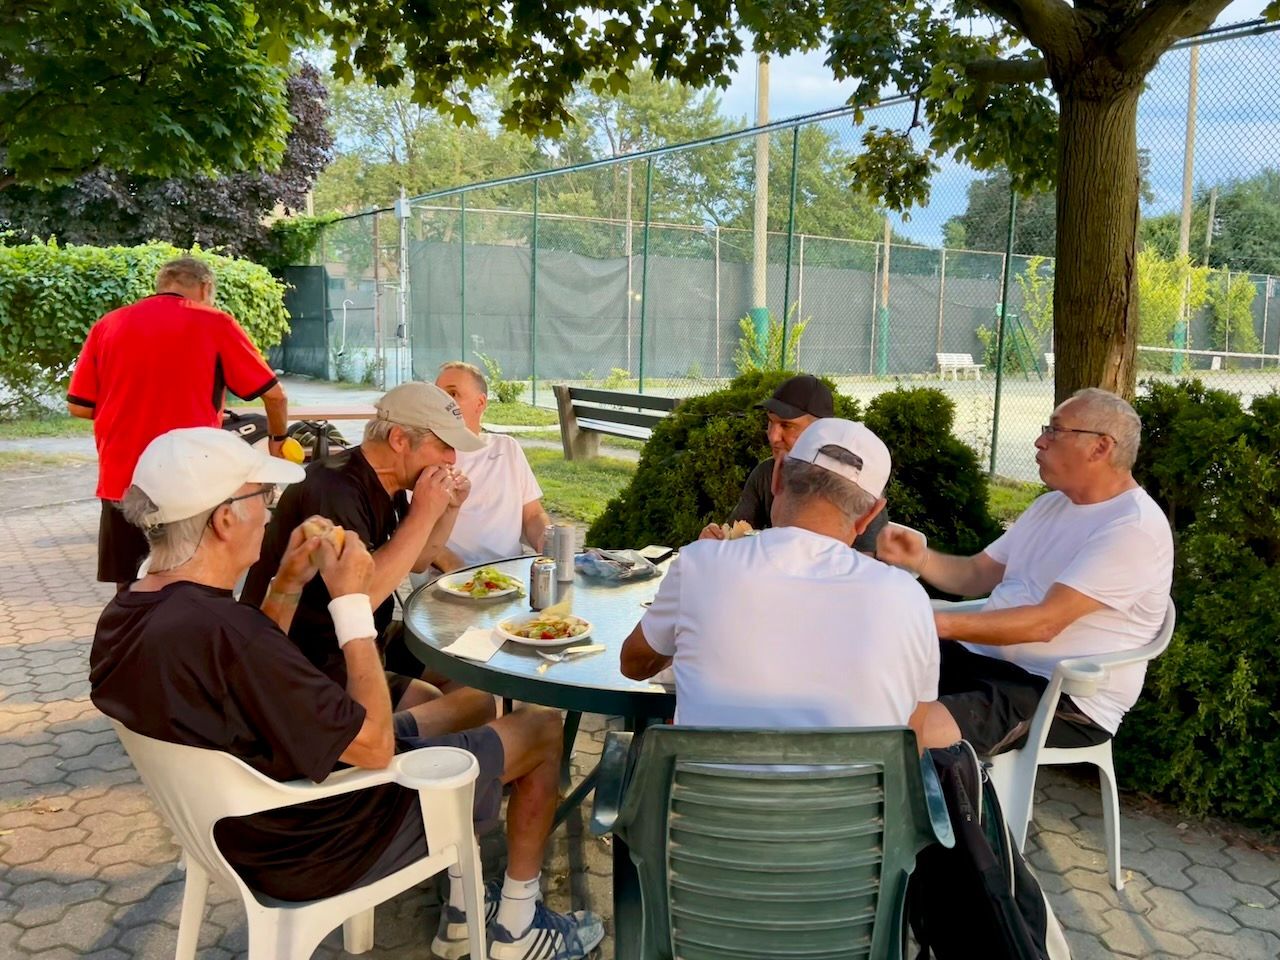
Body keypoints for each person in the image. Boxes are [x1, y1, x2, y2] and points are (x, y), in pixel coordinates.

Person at [90, 427, 604, 960]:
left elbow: (252, 669)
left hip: (238, 815)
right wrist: (352, 604)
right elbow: (376, 747)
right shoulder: (225, 634)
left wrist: (287, 583)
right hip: (316, 838)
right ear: (224, 520)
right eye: (261, 500)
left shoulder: (131, 615)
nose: (269, 515)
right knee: (541, 728)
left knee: (472, 703)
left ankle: (460, 907)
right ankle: (517, 928)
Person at [879, 388, 1174, 757]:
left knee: (906, 731)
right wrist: (919, 559)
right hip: (986, 662)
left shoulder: (1133, 528)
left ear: (1100, 447)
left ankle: (924, 808)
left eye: (1055, 431)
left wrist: (927, 622)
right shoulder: (1051, 505)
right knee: (870, 670)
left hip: (1059, 693)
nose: (1039, 441)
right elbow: (975, 575)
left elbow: (1043, 625)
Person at [622, 418, 938, 731]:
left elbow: (633, 665)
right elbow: (914, 739)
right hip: (856, 784)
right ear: (871, 515)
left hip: (699, 782)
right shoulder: (909, 599)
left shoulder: (699, 565)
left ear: (777, 476)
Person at [241, 382, 492, 732]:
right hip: (309, 660)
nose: (452, 459)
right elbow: (359, 599)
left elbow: (416, 560)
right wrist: (422, 513)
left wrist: (448, 509)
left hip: (359, 637)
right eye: (444, 446)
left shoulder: (386, 480)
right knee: (468, 706)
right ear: (400, 440)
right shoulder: (334, 488)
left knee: (473, 670)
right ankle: (375, 751)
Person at [66, 256, 289, 587]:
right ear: (205, 287)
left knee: (130, 585)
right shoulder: (216, 323)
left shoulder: (108, 325)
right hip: (191, 481)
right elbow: (274, 396)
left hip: (124, 480)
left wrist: (130, 407)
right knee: (197, 580)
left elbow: (80, 407)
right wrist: (278, 441)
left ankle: (128, 635)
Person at [698, 374, 887, 554]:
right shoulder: (765, 472)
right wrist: (715, 541)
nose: (772, 436)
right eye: (770, 422)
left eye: (787, 426)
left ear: (820, 430)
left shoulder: (857, 486)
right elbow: (735, 535)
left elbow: (864, 563)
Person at [433, 361, 550, 570]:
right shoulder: (425, 456)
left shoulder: (507, 448)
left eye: (452, 394)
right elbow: (413, 532)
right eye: (437, 395)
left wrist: (548, 541)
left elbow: (532, 515)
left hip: (511, 575)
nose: (441, 404)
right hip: (447, 579)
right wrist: (461, 573)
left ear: (480, 403)